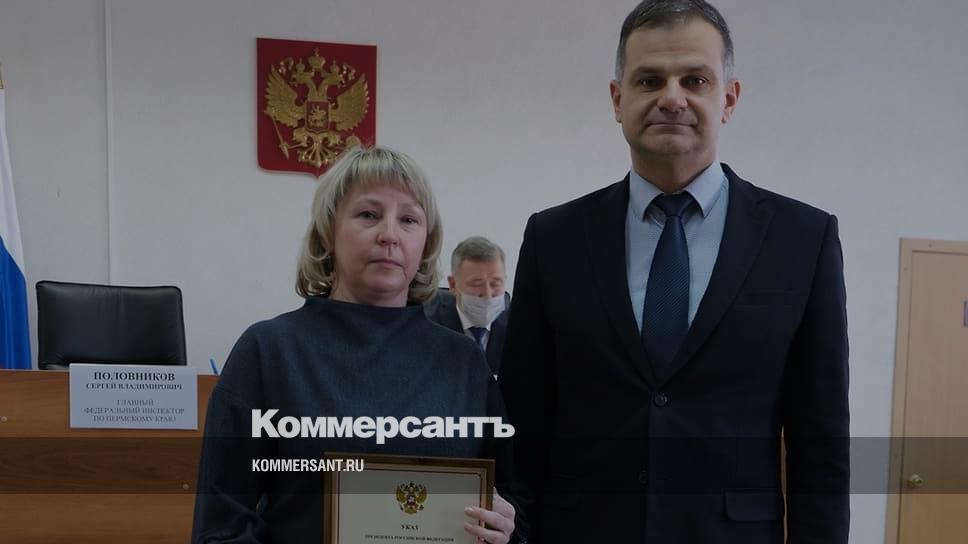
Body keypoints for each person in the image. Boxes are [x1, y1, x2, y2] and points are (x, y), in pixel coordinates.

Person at [498, 1, 849, 542]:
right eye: (649, 80)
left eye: (695, 80)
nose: (671, 98)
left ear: (728, 99)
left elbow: (820, 441)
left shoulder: (802, 239)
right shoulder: (554, 238)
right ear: (618, 99)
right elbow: (525, 419)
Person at [192, 146, 516, 543]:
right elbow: (223, 523)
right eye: (368, 214)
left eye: (409, 219)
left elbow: (512, 494)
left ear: (426, 243)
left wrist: (506, 527)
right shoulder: (268, 351)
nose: (389, 235)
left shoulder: (463, 361)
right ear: (328, 233)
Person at [425, 236, 510, 375]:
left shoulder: (517, 326)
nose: (487, 294)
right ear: (453, 285)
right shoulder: (428, 323)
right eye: (476, 284)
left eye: (496, 283)